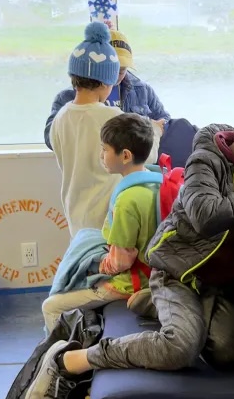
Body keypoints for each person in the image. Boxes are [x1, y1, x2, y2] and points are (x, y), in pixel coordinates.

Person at [21, 92, 234, 399]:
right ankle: (71, 361)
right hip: (177, 272)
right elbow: (204, 214)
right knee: (181, 347)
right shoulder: (207, 159)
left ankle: (155, 305)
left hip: (216, 284)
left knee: (226, 353)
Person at [41, 114, 158, 334]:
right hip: (153, 273)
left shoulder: (127, 200)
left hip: (130, 283)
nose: (101, 155)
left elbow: (121, 261)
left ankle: (64, 355)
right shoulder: (154, 180)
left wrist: (94, 265)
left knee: (51, 306)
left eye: (105, 150)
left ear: (125, 155)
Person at [50, 22, 130, 236]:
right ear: (106, 82)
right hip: (106, 215)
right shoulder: (112, 116)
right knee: (108, 257)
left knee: (82, 253)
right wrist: (156, 131)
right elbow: (144, 155)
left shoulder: (60, 117)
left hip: (74, 211)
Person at [44, 28, 170, 152]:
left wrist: (152, 130)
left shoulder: (142, 90)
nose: (116, 77)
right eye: (113, 70)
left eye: (122, 71)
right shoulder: (66, 98)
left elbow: (165, 122)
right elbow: (51, 140)